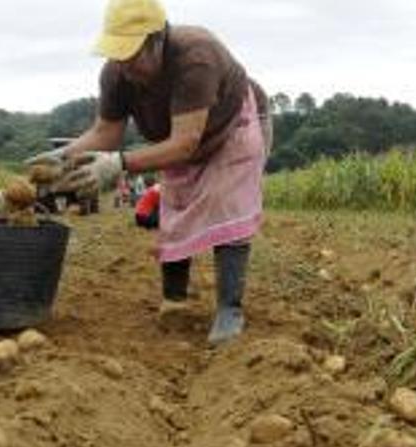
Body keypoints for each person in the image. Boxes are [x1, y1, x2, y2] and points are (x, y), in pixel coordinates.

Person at [25, 0, 272, 345]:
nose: (126, 67)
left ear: (159, 40)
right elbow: (106, 133)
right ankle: (175, 300)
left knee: (225, 203)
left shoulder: (195, 58)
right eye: (119, 56)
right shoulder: (117, 73)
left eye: (133, 55)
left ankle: (229, 308)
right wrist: (62, 156)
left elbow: (185, 143)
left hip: (230, 127)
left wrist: (119, 164)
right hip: (180, 139)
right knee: (174, 206)